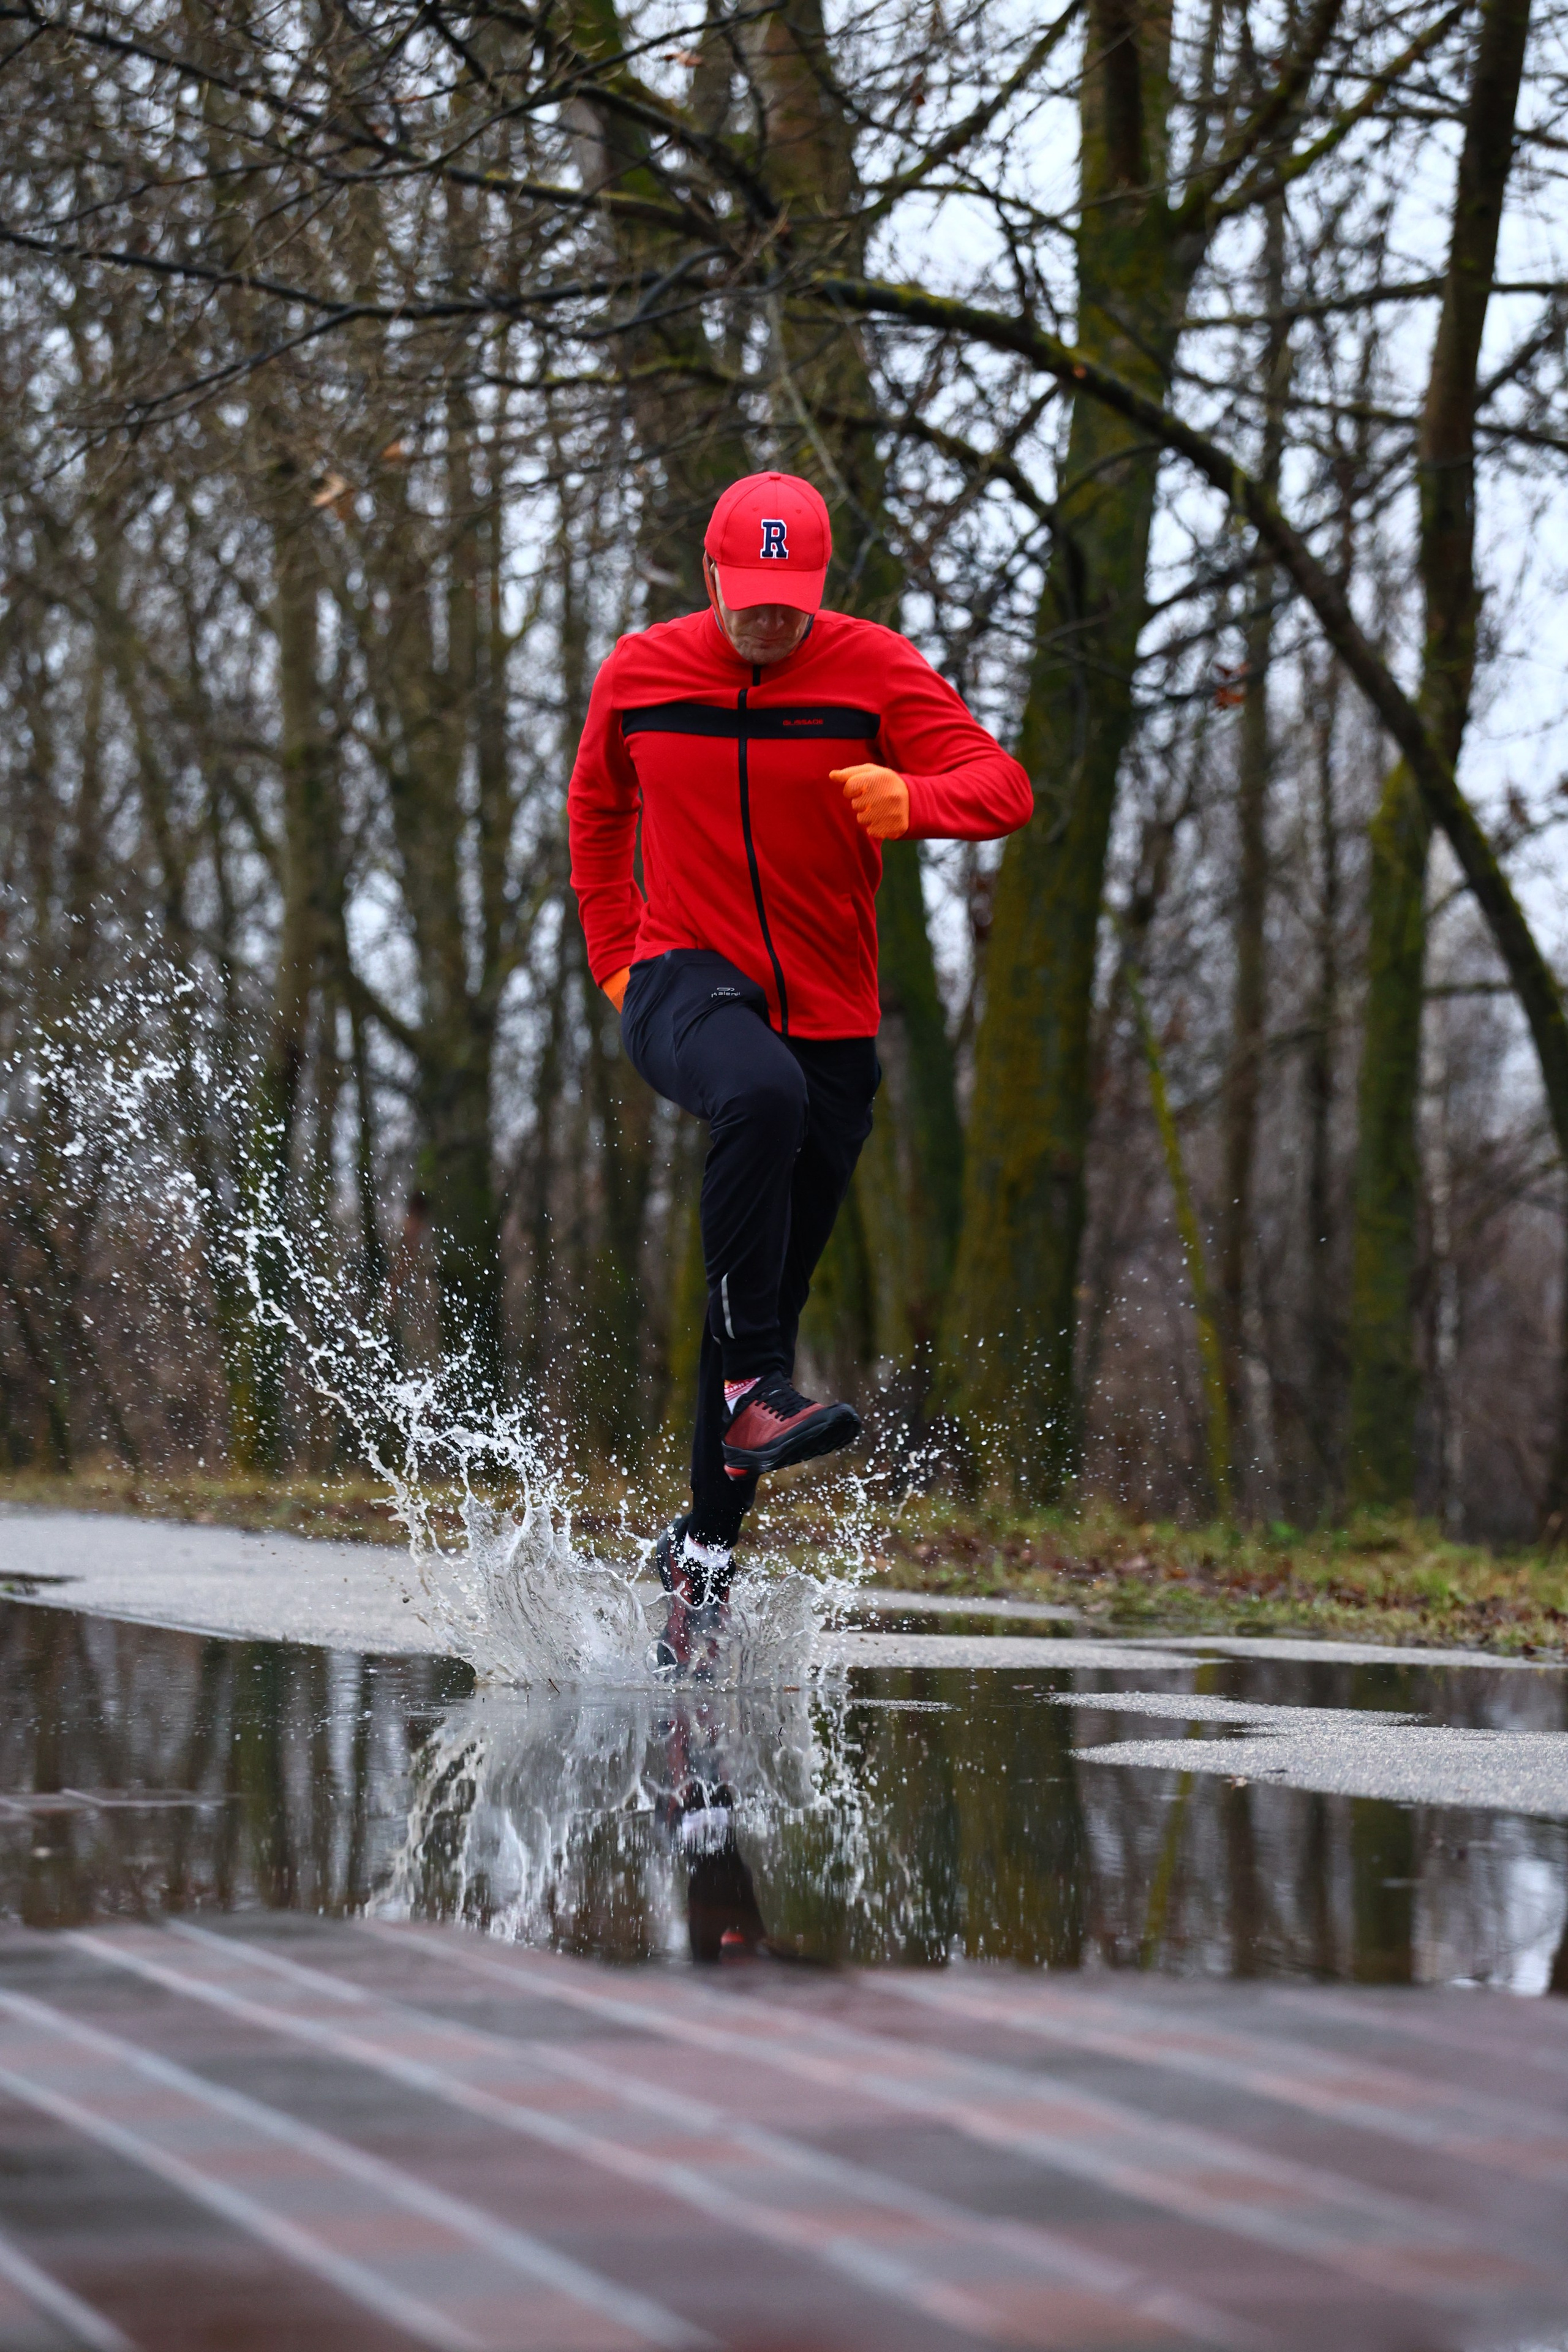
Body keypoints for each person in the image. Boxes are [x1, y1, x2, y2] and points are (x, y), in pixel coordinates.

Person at [568, 470, 1031, 1660]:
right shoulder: (638, 673)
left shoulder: (872, 668)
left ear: (816, 588)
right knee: (754, 1095)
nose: (767, 620)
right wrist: (617, 953)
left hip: (829, 1015)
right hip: (685, 978)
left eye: (790, 600)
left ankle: (701, 1557)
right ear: (711, 574)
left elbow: (1001, 786)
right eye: (749, 596)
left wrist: (910, 796)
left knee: (759, 1289)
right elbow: (596, 810)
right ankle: (748, 1394)